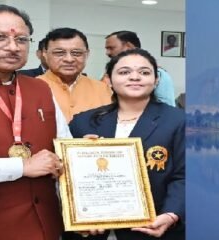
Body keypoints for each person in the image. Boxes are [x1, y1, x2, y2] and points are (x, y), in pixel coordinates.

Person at [66, 49, 185, 240]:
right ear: (109, 80)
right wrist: (78, 157)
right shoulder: (83, 122)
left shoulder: (179, 121)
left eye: (145, 72)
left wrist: (171, 214)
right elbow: (66, 178)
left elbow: (186, 176)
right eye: (124, 72)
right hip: (92, 232)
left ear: (156, 81)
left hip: (153, 228)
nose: (135, 77)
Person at [0, 4, 71, 240]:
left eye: (22, 39)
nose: (13, 47)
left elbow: (63, 143)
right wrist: (22, 167)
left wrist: (81, 153)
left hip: (47, 225)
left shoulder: (40, 88)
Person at [38, 27, 113, 123]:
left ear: (87, 54)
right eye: (59, 53)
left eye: (76, 53)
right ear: (45, 54)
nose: (69, 59)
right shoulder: (31, 89)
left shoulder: (103, 89)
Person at [104, 30, 176, 107]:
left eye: (111, 48)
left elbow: (167, 107)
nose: (107, 53)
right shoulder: (109, 73)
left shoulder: (159, 74)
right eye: (123, 73)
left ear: (129, 46)